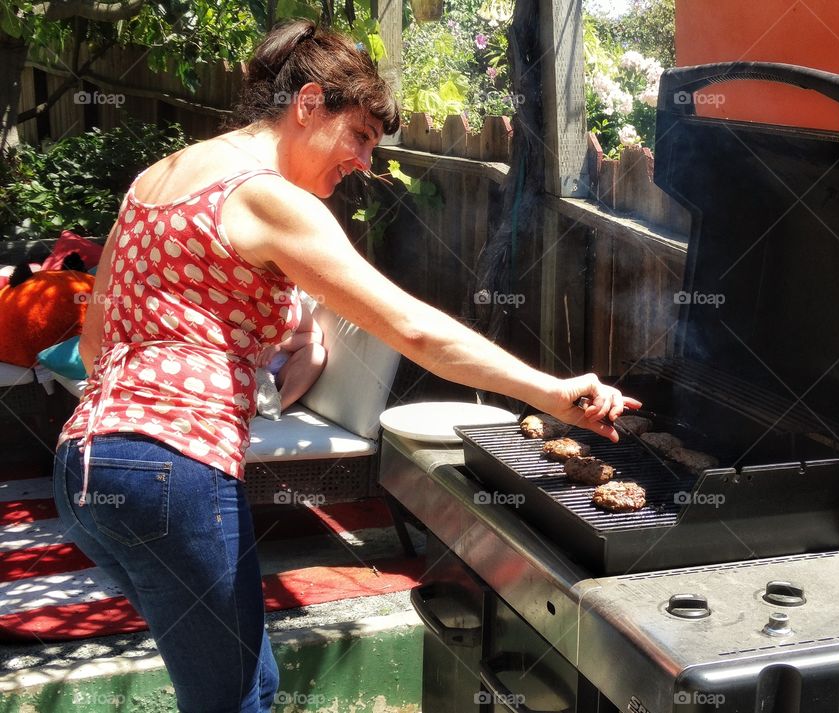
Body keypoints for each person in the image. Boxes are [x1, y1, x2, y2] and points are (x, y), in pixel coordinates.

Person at [53, 19, 641, 713]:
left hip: (84, 472)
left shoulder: (158, 178)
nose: (365, 159)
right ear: (307, 103)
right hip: (173, 472)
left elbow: (94, 346)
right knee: (235, 700)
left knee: (244, 685)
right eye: (358, 134)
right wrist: (552, 390)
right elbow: (415, 330)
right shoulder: (268, 197)